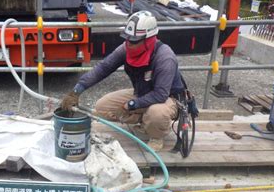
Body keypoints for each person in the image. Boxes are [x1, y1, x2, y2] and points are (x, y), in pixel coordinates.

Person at [60, 11, 186, 151]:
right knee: (103, 107)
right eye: (127, 39)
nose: (129, 44)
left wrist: (131, 105)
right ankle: (145, 121)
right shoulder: (126, 49)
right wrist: (77, 90)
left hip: (168, 99)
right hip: (142, 92)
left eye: (134, 41)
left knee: (156, 113)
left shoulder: (164, 58)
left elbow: (160, 95)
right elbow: (103, 68)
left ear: (148, 39)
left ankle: (156, 135)